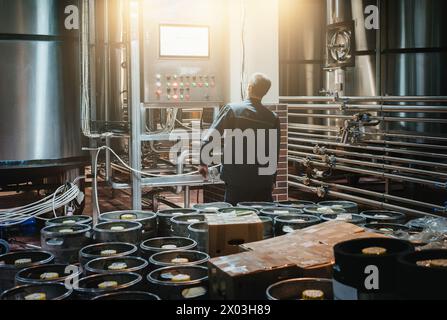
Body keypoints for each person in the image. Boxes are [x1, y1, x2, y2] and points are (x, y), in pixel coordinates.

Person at [199, 73, 281, 205]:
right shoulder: (273, 118)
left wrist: (203, 163)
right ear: (265, 93)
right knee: (262, 220)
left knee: (235, 218)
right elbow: (274, 152)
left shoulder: (232, 110)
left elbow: (211, 136)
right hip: (263, 182)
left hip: (236, 181)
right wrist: (272, 180)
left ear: (249, 87)